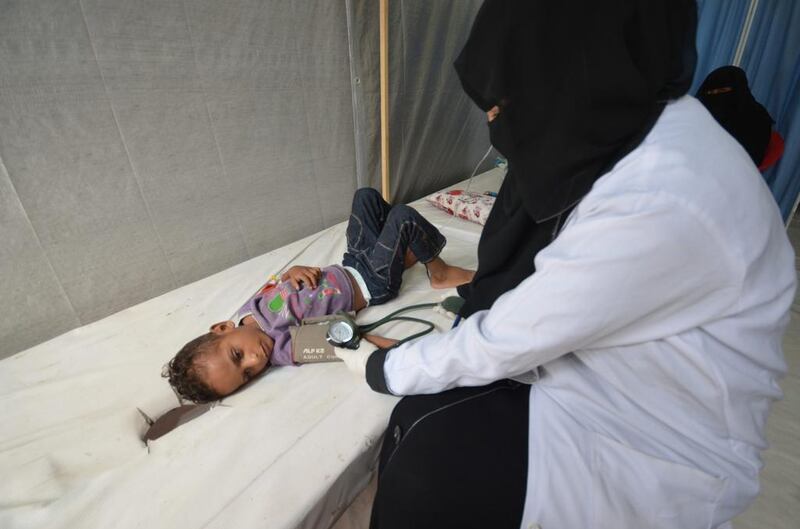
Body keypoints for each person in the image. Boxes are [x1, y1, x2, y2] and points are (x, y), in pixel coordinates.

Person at [334, 1, 796, 528]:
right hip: (609, 380)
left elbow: (516, 333)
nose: (495, 124)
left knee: (429, 460)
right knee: (423, 423)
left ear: (569, 70)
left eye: (504, 103)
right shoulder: (642, 136)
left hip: (656, 447)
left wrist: (386, 367)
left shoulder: (665, 194)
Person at [164, 187, 474, 403]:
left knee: (365, 196)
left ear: (223, 328)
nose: (256, 360)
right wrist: (409, 350)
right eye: (247, 374)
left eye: (237, 355)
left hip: (352, 261)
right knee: (404, 216)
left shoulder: (249, 311)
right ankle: (438, 271)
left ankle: (400, 251)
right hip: (371, 282)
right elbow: (342, 342)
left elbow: (280, 285)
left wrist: (292, 271)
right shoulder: (283, 347)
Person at [696, 65, 775, 166]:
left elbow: (746, 160)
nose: (715, 96)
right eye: (710, 92)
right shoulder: (703, 111)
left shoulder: (758, 119)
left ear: (739, 89)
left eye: (722, 91)